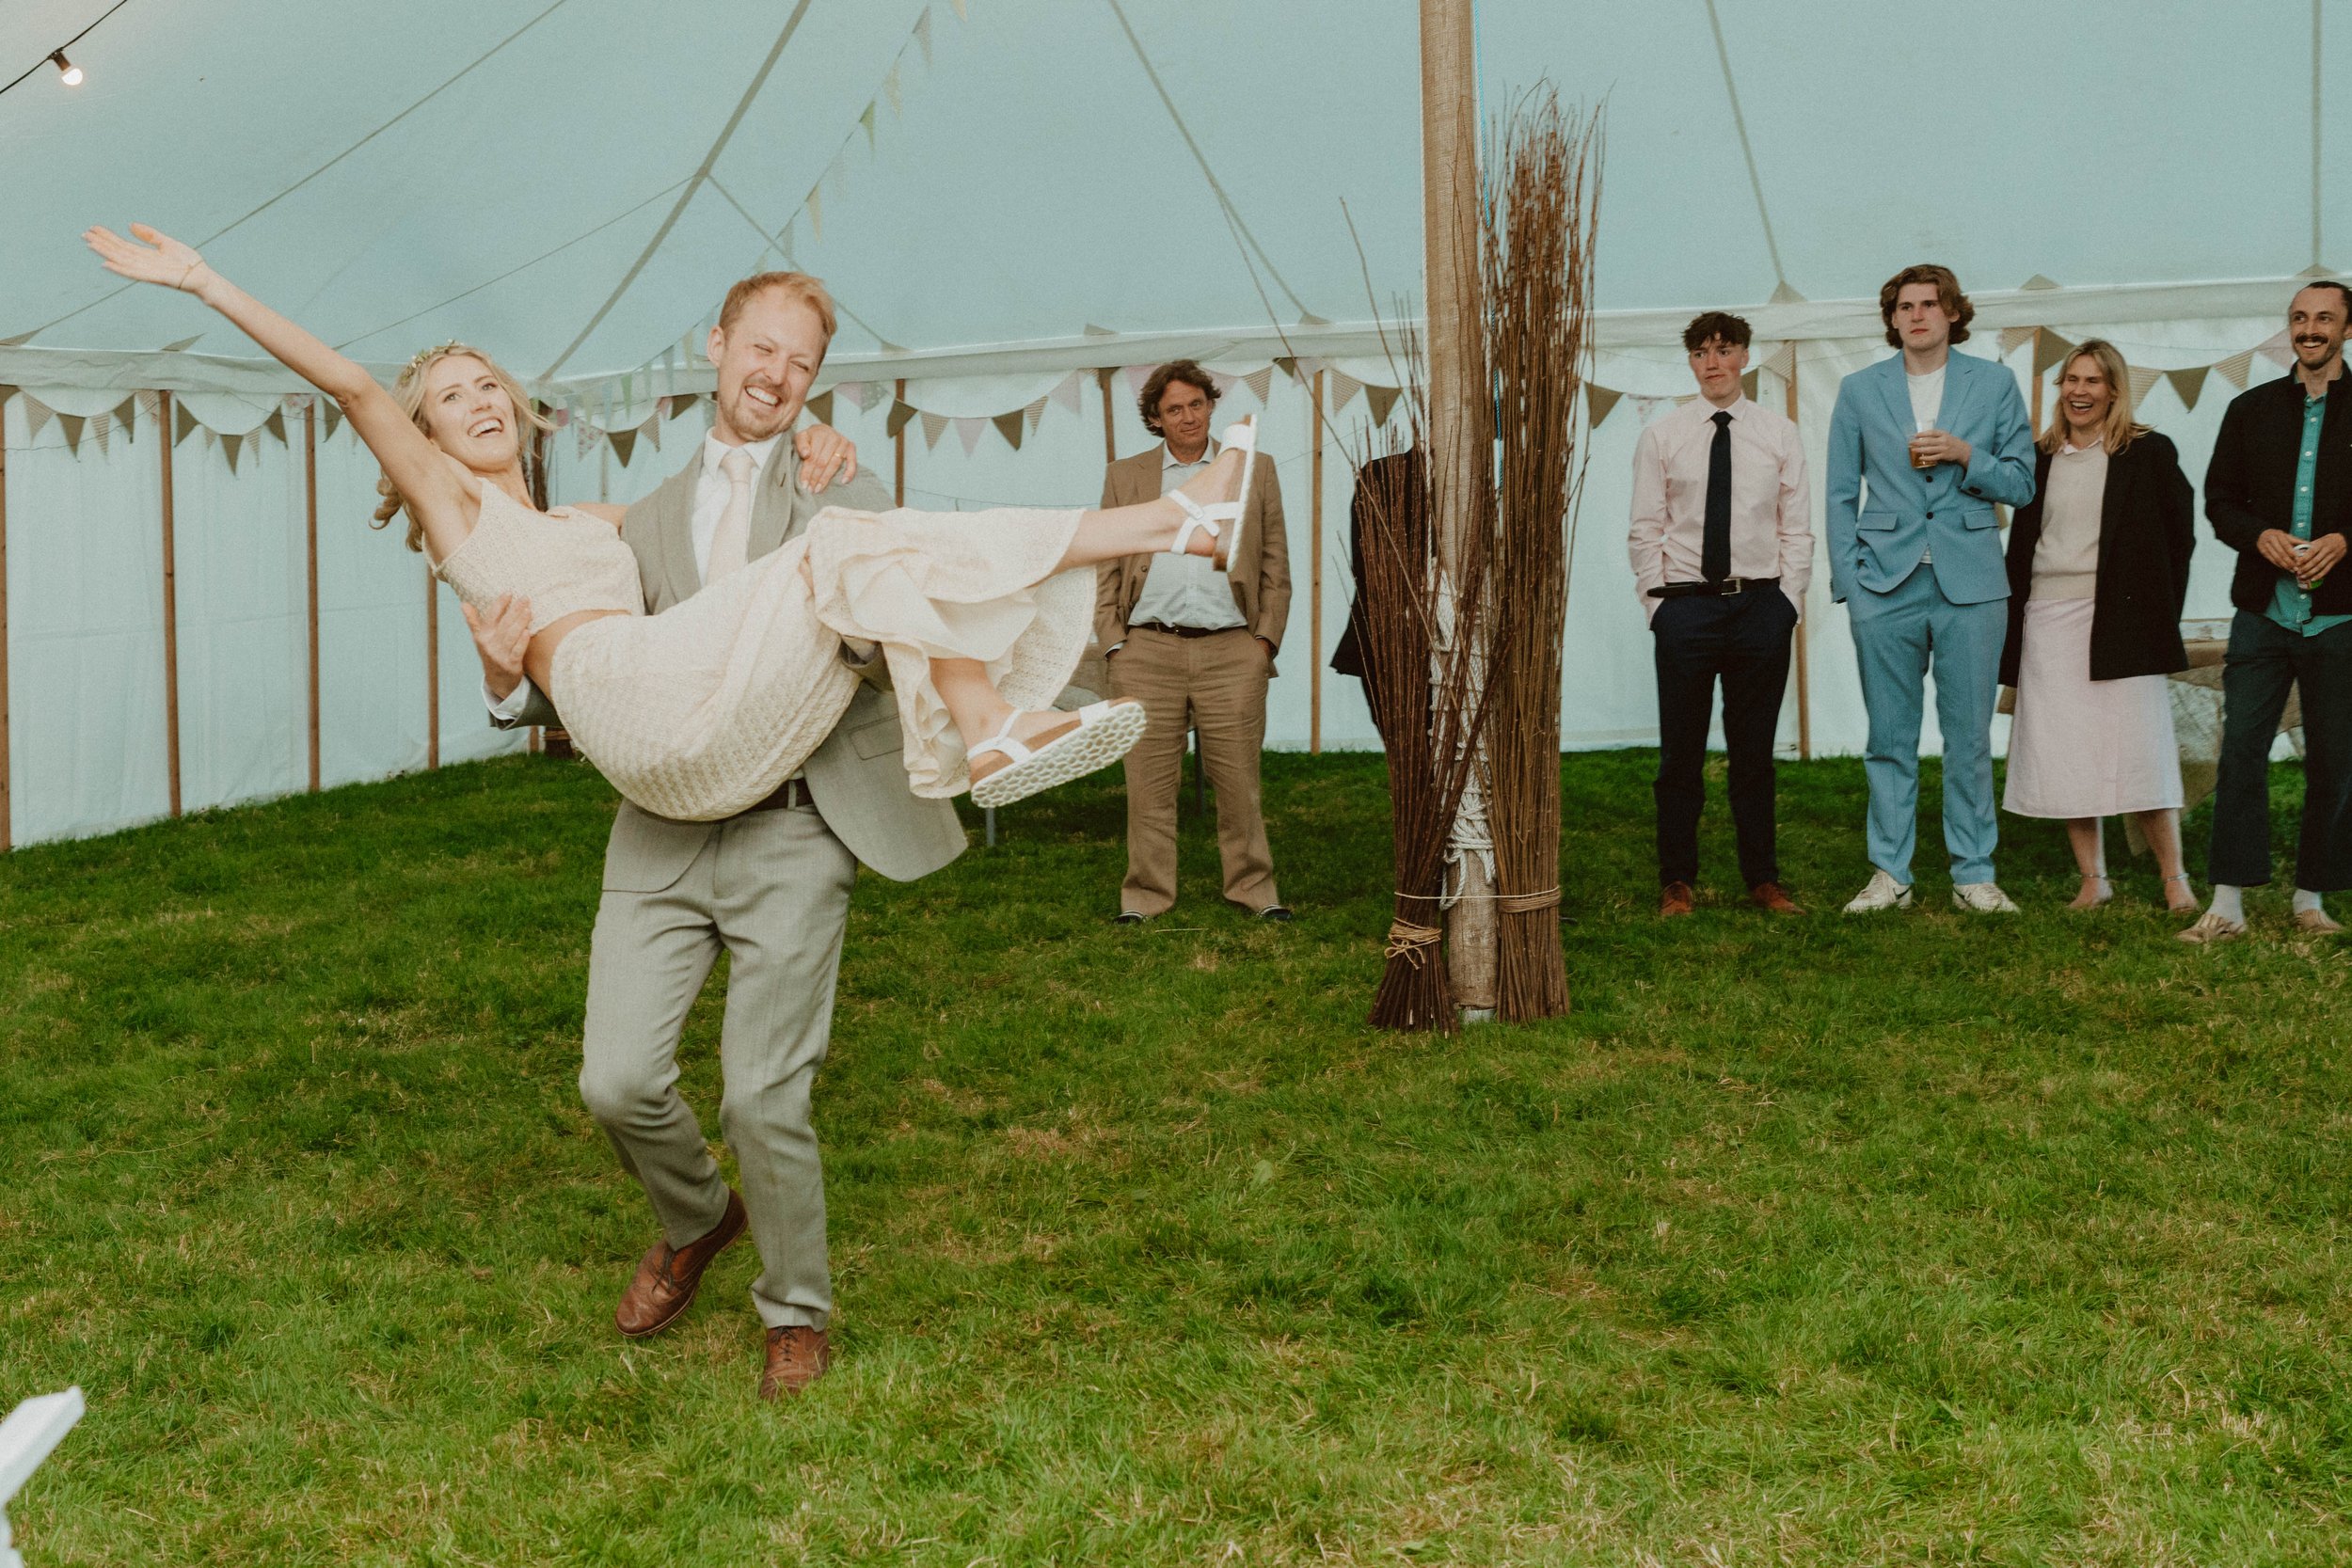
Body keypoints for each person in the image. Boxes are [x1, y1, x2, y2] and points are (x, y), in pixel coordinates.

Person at [87, 221, 1254, 1400]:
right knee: (616, 1083)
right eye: (449, 395)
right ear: (424, 432)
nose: (476, 400)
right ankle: (700, 1212)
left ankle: (794, 1305)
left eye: (489, 382)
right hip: (651, 765)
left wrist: (824, 466)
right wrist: (201, 280)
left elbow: (846, 565)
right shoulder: (473, 501)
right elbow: (348, 386)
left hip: (774, 788)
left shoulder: (605, 518)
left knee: (763, 1087)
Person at [1825, 263, 2037, 914]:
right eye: (1905, 305)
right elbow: (1838, 494)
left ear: (1953, 314)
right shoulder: (1859, 390)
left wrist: (1966, 454)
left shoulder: (1995, 383)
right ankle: (1891, 873)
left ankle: (1974, 871)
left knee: (1969, 735)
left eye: (1930, 304)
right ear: (1892, 319)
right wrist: (1850, 585)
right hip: (1883, 583)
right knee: (1888, 737)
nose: (1917, 315)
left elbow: (2023, 484)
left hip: (1971, 580)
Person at [1998, 340, 2196, 912]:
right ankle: (2093, 880)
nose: (2080, 391)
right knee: (2066, 752)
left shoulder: (2148, 452)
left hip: (2121, 620)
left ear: (2114, 390)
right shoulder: (2037, 457)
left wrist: (2156, 612)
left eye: (2093, 381)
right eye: (2071, 380)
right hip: (2049, 620)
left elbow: (2179, 540)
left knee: (2141, 749)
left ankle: (2174, 880)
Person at [2183, 279, 2352, 943]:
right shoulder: (2250, 408)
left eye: (2325, 318)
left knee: (2334, 760)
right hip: (2263, 614)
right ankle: (2227, 903)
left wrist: (2345, 541)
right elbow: (2220, 498)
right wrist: (2259, 536)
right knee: (2240, 753)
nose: (2310, 329)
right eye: (2299, 318)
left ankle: (2310, 897)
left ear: (2345, 329)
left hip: (2341, 621)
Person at [1627, 310, 1812, 916]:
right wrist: (1659, 605)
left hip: (1760, 607)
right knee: (1679, 754)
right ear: (1690, 362)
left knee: (1754, 752)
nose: (1713, 362)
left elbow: (1797, 527)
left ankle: (1762, 877)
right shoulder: (1664, 435)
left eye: (1724, 349)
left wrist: (1788, 602)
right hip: (1686, 610)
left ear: (1744, 357)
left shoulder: (1778, 433)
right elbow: (1645, 526)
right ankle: (1675, 879)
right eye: (1701, 352)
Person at [1095, 360, 1292, 924]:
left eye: (1196, 404)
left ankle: (1256, 892)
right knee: (1148, 784)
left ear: (1212, 407)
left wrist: (1264, 643)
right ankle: (1146, 899)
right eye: (1173, 409)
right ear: (1155, 419)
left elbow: (1275, 562)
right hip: (1146, 651)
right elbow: (1106, 561)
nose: (1188, 417)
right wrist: (1114, 642)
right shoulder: (1126, 475)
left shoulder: (1255, 469)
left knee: (1239, 783)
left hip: (1233, 650)